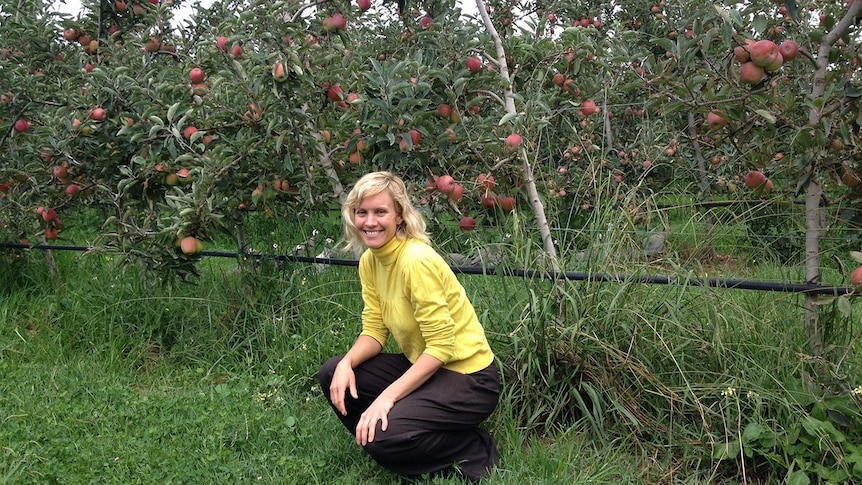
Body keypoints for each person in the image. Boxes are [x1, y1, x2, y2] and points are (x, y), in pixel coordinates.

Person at [319, 171, 501, 482]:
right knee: (333, 372)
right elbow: (375, 330)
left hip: (470, 378)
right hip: (424, 365)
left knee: (383, 436)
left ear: (400, 215)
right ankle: (391, 438)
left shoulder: (416, 260)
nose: (370, 221)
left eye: (380, 212)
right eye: (361, 212)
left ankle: (474, 450)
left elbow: (442, 347)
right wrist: (347, 363)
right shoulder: (370, 262)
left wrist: (387, 398)